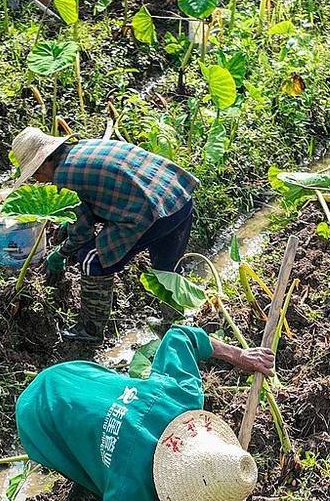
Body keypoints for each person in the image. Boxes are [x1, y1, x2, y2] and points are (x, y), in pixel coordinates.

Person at [17, 323, 272, 501]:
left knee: (106, 446)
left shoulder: (183, 395)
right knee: (78, 459)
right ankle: (88, 466)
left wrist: (239, 355)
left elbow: (181, 336)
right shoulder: (136, 500)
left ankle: (97, 459)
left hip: (71, 376)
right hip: (38, 419)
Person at [12, 127, 199, 345]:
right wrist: (67, 220)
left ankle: (90, 330)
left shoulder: (64, 176)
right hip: (178, 196)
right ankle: (175, 325)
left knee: (91, 259)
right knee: (167, 270)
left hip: (151, 212)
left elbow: (82, 235)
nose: (38, 181)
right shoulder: (83, 147)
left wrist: (60, 255)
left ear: (46, 160)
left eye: (36, 173)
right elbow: (100, 194)